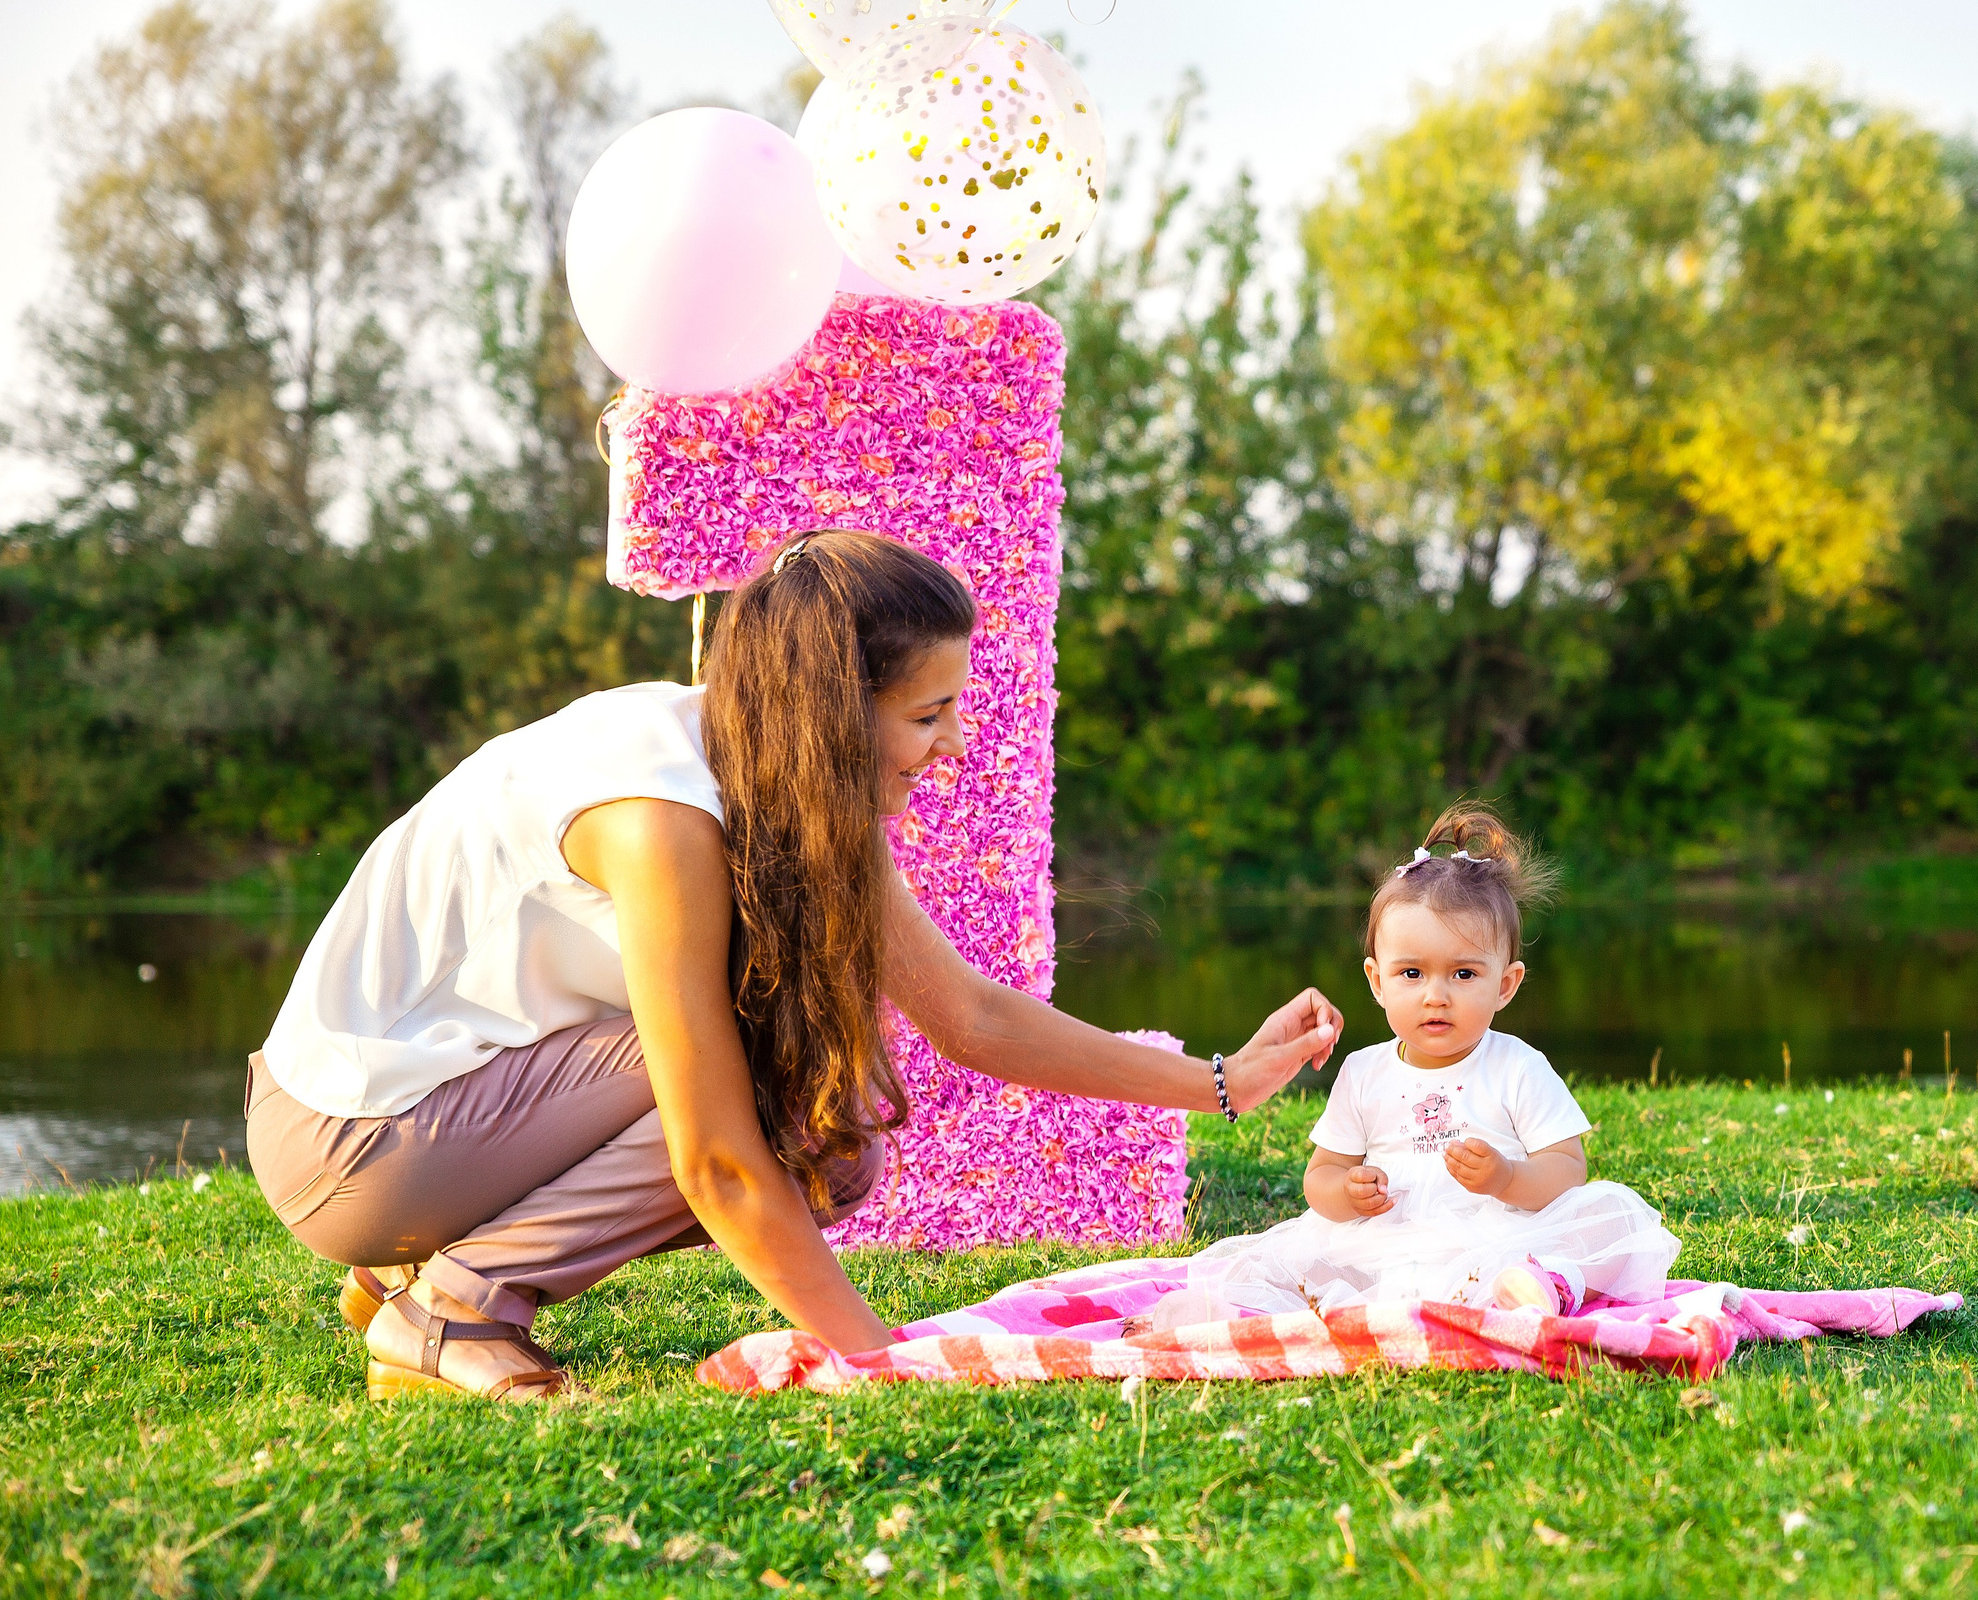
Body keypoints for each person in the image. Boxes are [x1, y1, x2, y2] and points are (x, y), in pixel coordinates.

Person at [244, 530, 1342, 1401]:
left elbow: (970, 1016)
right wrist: (879, 1361)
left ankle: (433, 1277)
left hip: (449, 1117)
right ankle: (451, 1308)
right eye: (927, 712)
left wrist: (1220, 1082)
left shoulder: (783, 782)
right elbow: (714, 1156)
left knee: (831, 1130)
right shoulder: (657, 816)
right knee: (780, 1088)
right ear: (830, 709)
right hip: (351, 1143)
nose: (952, 744)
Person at [1146, 803, 1678, 1328]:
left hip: (1499, 1237)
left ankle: (1540, 1284)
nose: (1436, 996)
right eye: (1412, 974)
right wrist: (1347, 1192)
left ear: (1506, 984)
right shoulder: (1362, 1072)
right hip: (1387, 1244)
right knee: (1289, 1261)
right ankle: (1269, 1307)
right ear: (1377, 982)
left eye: (1464, 974)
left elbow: (1568, 1169)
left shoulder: (1517, 1065)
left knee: (1610, 1216)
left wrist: (1507, 1176)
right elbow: (1320, 1176)